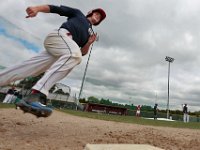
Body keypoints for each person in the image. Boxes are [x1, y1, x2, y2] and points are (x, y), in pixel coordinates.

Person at [0, 4, 106, 117]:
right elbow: (57, 9)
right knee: (74, 55)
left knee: (30, 67)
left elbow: (83, 52)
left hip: (64, 49)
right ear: (90, 12)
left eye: (100, 17)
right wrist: (37, 9)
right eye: (97, 13)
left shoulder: (90, 33)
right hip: (60, 37)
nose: (98, 16)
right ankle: (36, 94)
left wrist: (89, 43)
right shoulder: (78, 14)